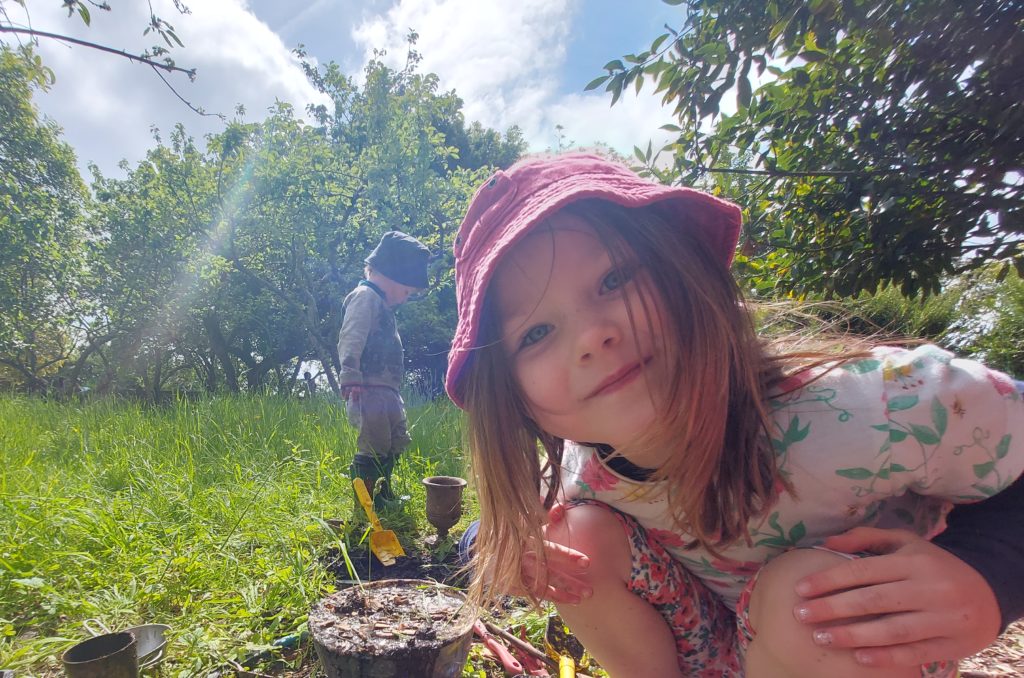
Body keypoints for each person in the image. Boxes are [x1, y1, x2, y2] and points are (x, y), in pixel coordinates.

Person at [444, 153, 1024, 677]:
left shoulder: (874, 408)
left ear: (686, 270)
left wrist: (990, 573)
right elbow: (501, 531)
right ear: (515, 402)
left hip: (844, 647)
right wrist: (506, 551)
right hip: (713, 654)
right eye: (537, 333)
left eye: (614, 278)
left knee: (800, 599)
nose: (592, 336)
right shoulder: (589, 462)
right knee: (572, 538)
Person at [338, 230, 430, 509]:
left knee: (396, 440)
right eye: (405, 291)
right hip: (368, 388)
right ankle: (364, 505)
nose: (404, 298)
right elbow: (351, 335)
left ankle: (383, 494)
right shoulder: (364, 297)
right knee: (374, 444)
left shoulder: (382, 305)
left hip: (388, 390)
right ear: (389, 276)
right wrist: (350, 374)